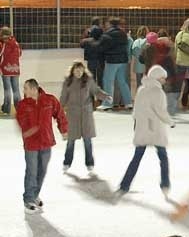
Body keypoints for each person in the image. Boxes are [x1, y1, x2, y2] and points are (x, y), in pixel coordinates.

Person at [117, 65, 175, 199]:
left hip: (143, 129)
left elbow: (136, 110)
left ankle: (124, 185)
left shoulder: (141, 90)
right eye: (162, 78)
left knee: (136, 158)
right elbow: (161, 112)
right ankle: (165, 184)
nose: (164, 80)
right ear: (157, 78)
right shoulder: (158, 92)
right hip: (156, 130)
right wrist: (171, 122)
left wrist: (136, 125)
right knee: (163, 158)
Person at [16, 79, 68, 214]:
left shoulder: (49, 100)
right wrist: (30, 130)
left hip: (46, 142)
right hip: (31, 144)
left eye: (26, 88)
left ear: (34, 89)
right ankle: (28, 200)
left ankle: (34, 194)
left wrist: (64, 129)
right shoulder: (22, 105)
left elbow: (60, 114)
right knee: (31, 172)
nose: (24, 91)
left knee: (42, 171)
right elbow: (21, 121)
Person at [60, 61, 111, 173]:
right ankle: (67, 162)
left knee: (87, 141)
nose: (78, 72)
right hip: (73, 115)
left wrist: (105, 96)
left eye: (80, 70)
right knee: (70, 141)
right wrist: (58, 110)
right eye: (76, 70)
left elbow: (96, 91)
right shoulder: (68, 82)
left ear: (83, 71)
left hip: (86, 114)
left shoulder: (88, 81)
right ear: (72, 71)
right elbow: (63, 97)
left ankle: (90, 163)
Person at [92, 17, 132, 111]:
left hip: (112, 61)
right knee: (122, 82)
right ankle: (128, 102)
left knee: (108, 81)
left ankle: (107, 103)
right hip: (123, 61)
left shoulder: (108, 35)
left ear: (110, 24)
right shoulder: (123, 34)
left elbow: (101, 47)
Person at [0, 26, 22, 115]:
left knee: (7, 89)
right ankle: (19, 109)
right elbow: (20, 53)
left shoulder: (3, 44)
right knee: (16, 90)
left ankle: (6, 109)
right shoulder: (16, 43)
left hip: (6, 69)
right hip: (15, 69)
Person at [80, 16, 104, 88]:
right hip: (100, 59)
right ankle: (100, 97)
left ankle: (91, 97)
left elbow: (82, 44)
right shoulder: (101, 31)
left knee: (91, 79)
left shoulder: (88, 30)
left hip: (90, 59)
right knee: (100, 80)